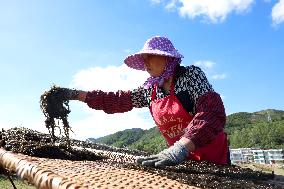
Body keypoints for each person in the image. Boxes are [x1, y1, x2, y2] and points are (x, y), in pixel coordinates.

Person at [61, 36, 229, 167]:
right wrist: (75, 94)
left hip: (213, 156)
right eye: (144, 58)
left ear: (167, 58)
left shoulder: (190, 76)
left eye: (150, 56)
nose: (145, 62)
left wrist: (181, 147)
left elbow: (212, 113)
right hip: (180, 160)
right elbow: (118, 100)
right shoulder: (151, 90)